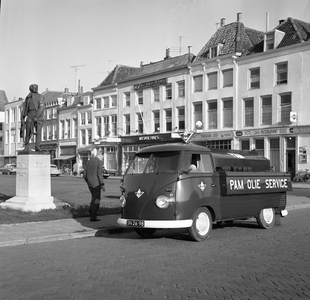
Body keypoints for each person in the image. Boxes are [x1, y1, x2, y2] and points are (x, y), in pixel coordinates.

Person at [21, 84, 45, 152]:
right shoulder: (28, 97)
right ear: (31, 88)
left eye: (36, 87)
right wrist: (23, 116)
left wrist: (36, 116)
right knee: (28, 132)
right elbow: (25, 107)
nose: (36, 88)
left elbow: (42, 107)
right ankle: (26, 146)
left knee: (38, 132)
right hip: (29, 115)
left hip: (38, 115)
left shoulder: (40, 97)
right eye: (34, 87)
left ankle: (37, 146)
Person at [84, 149, 105, 222]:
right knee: (96, 199)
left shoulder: (88, 162)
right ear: (99, 154)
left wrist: (88, 181)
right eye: (102, 155)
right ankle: (93, 215)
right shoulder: (99, 162)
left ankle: (91, 211)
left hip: (90, 182)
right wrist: (102, 184)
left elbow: (84, 174)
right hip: (96, 183)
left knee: (93, 198)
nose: (102, 156)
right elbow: (99, 174)